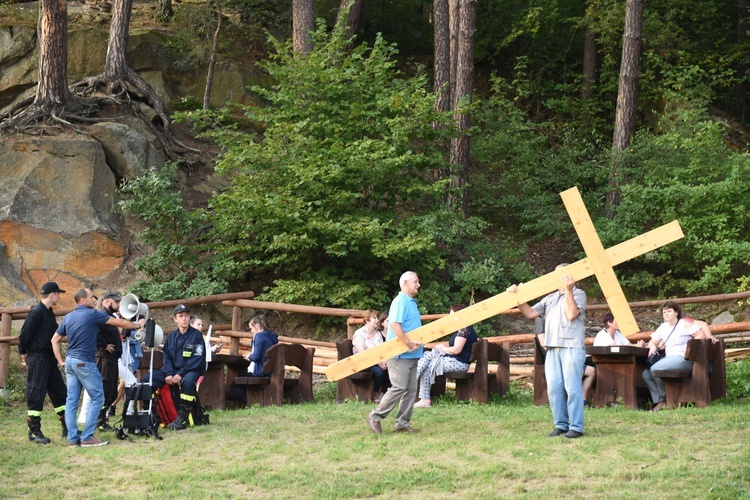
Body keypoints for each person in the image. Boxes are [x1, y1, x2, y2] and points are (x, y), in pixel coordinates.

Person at [51, 288, 145, 447]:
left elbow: (54, 339)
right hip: (85, 362)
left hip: (70, 361)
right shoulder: (92, 314)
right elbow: (120, 323)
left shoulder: (68, 317)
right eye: (91, 298)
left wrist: (61, 360)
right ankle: (87, 436)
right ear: (82, 300)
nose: (95, 300)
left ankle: (73, 438)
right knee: (98, 398)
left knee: (72, 400)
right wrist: (137, 325)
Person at [508, 265, 587, 438]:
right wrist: (518, 296)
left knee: (572, 388)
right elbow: (530, 313)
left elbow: (572, 314)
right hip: (552, 348)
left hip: (571, 347)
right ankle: (561, 425)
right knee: (554, 388)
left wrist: (568, 290)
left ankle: (576, 427)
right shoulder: (549, 298)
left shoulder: (578, 294)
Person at [367, 271, 423, 434]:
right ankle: (375, 416)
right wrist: (407, 343)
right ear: (405, 283)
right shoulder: (400, 301)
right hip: (400, 353)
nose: (418, 285)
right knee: (398, 387)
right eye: (415, 282)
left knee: (411, 389)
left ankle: (402, 424)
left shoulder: (411, 302)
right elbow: (395, 324)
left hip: (412, 354)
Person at [642, 302, 719, 412]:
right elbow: (652, 341)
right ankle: (659, 401)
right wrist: (652, 346)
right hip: (669, 358)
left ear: (676, 312)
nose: (666, 314)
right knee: (645, 373)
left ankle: (666, 399)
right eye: (664, 312)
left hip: (684, 358)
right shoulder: (663, 327)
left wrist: (690, 348)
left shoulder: (684, 324)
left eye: (669, 311)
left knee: (655, 368)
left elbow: (700, 334)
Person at [18, 281, 68, 444]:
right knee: (36, 391)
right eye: (58, 293)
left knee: (60, 391)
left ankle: (67, 427)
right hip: (38, 357)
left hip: (49, 358)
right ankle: (33, 431)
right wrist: (23, 353)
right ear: (52, 294)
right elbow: (24, 335)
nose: (58, 296)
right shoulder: (37, 312)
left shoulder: (49, 312)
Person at [148, 304, 207, 430]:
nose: (184, 319)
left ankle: (182, 418)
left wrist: (180, 374)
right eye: (181, 316)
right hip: (172, 371)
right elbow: (167, 358)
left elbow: (196, 359)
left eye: (186, 316)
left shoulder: (196, 336)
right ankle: (151, 415)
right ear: (175, 319)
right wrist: (169, 374)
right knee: (148, 380)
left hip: (191, 370)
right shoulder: (171, 336)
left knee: (187, 382)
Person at [413, 304, 478, 408]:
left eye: (453, 315)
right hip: (457, 362)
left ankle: (414, 383)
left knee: (428, 362)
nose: (451, 318)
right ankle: (423, 397)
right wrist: (441, 347)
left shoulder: (464, 329)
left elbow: (456, 350)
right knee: (428, 358)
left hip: (459, 363)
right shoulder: (463, 329)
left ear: (461, 315)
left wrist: (442, 348)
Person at [229, 315, 279, 405]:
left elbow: (255, 357)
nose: (251, 331)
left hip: (259, 371)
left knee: (233, 385)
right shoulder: (271, 337)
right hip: (269, 371)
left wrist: (249, 357)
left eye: (251, 328)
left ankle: (250, 401)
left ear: (256, 326)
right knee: (242, 377)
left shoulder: (259, 336)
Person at [94, 291, 124, 431]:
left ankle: (102, 419)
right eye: (116, 302)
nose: (118, 305)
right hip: (104, 358)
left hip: (112, 359)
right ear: (107, 301)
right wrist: (104, 345)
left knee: (111, 391)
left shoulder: (110, 317)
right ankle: (99, 421)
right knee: (105, 389)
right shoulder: (101, 316)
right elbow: (95, 333)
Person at [352, 309, 389, 402]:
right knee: (380, 373)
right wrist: (379, 362)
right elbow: (362, 353)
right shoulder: (359, 334)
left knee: (393, 370)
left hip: (377, 361)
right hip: (363, 362)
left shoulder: (377, 334)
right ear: (367, 320)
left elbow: (382, 350)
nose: (377, 320)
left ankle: (382, 395)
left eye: (377, 318)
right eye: (374, 318)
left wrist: (385, 361)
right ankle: (374, 393)